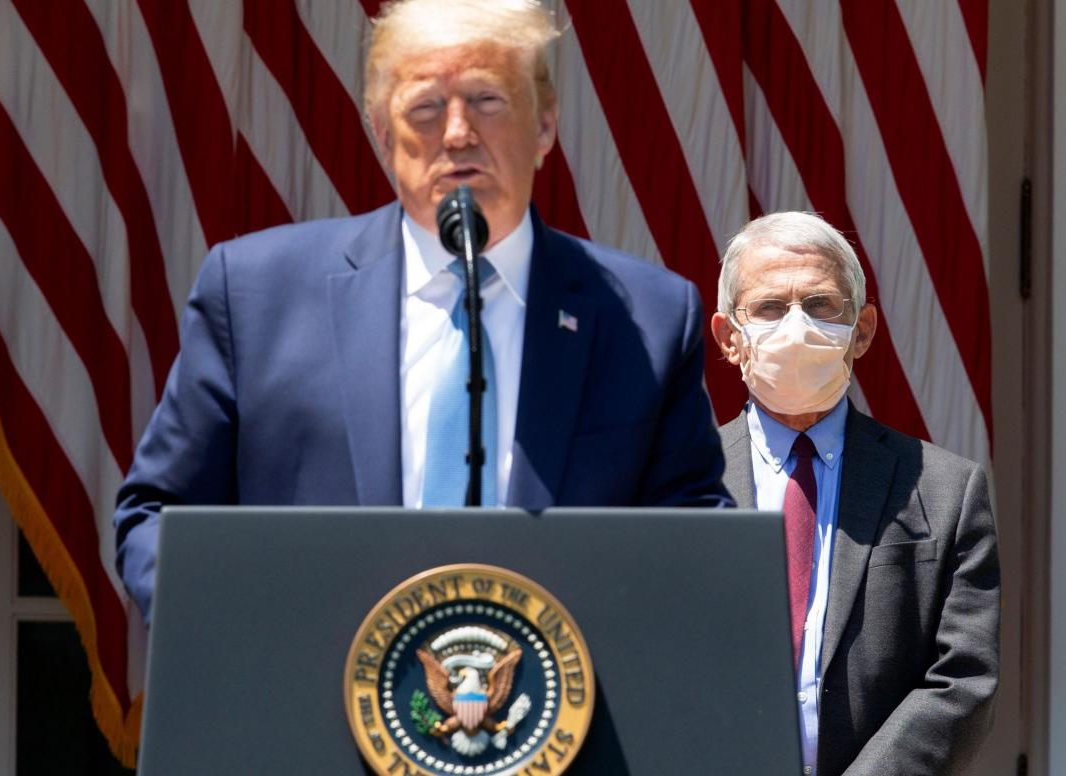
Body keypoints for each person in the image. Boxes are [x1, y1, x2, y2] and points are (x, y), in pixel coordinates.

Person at [114, 0, 729, 621]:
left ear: (545, 123)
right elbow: (155, 520)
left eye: (488, 100)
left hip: (569, 705)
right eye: (426, 108)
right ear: (384, 136)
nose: (458, 132)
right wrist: (250, 649)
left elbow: (698, 547)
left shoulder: (646, 320)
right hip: (312, 706)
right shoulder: (254, 297)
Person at [710, 212, 999, 775]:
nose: (797, 328)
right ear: (728, 338)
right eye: (770, 307)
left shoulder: (945, 490)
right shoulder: (671, 488)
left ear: (862, 331)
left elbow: (963, 679)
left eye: (822, 306)